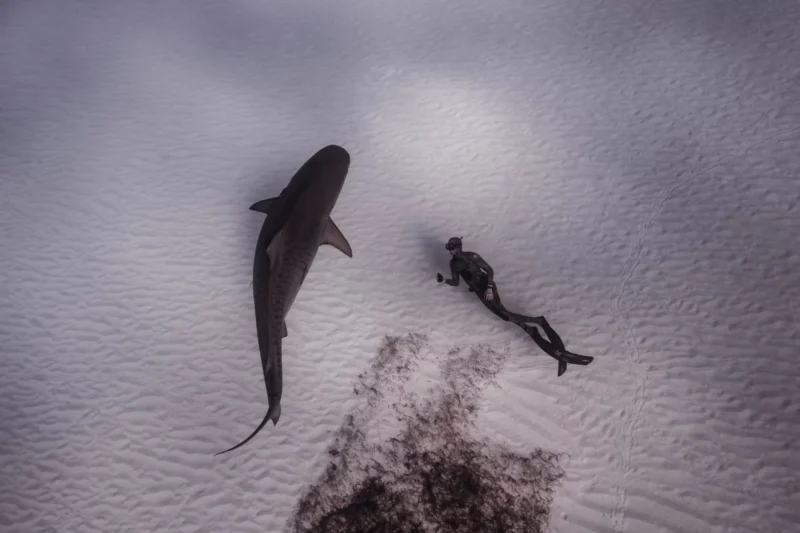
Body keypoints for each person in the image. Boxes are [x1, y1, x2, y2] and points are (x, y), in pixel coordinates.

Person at [436, 236, 594, 376]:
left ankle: (537, 323)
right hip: (479, 293)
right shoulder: (453, 264)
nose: (450, 251)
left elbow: (489, 270)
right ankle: (534, 328)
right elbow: (456, 282)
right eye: (448, 248)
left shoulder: (471, 256)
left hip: (486, 289)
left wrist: (490, 288)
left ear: (458, 247)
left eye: (451, 247)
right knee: (504, 316)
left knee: (505, 314)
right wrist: (444, 280)